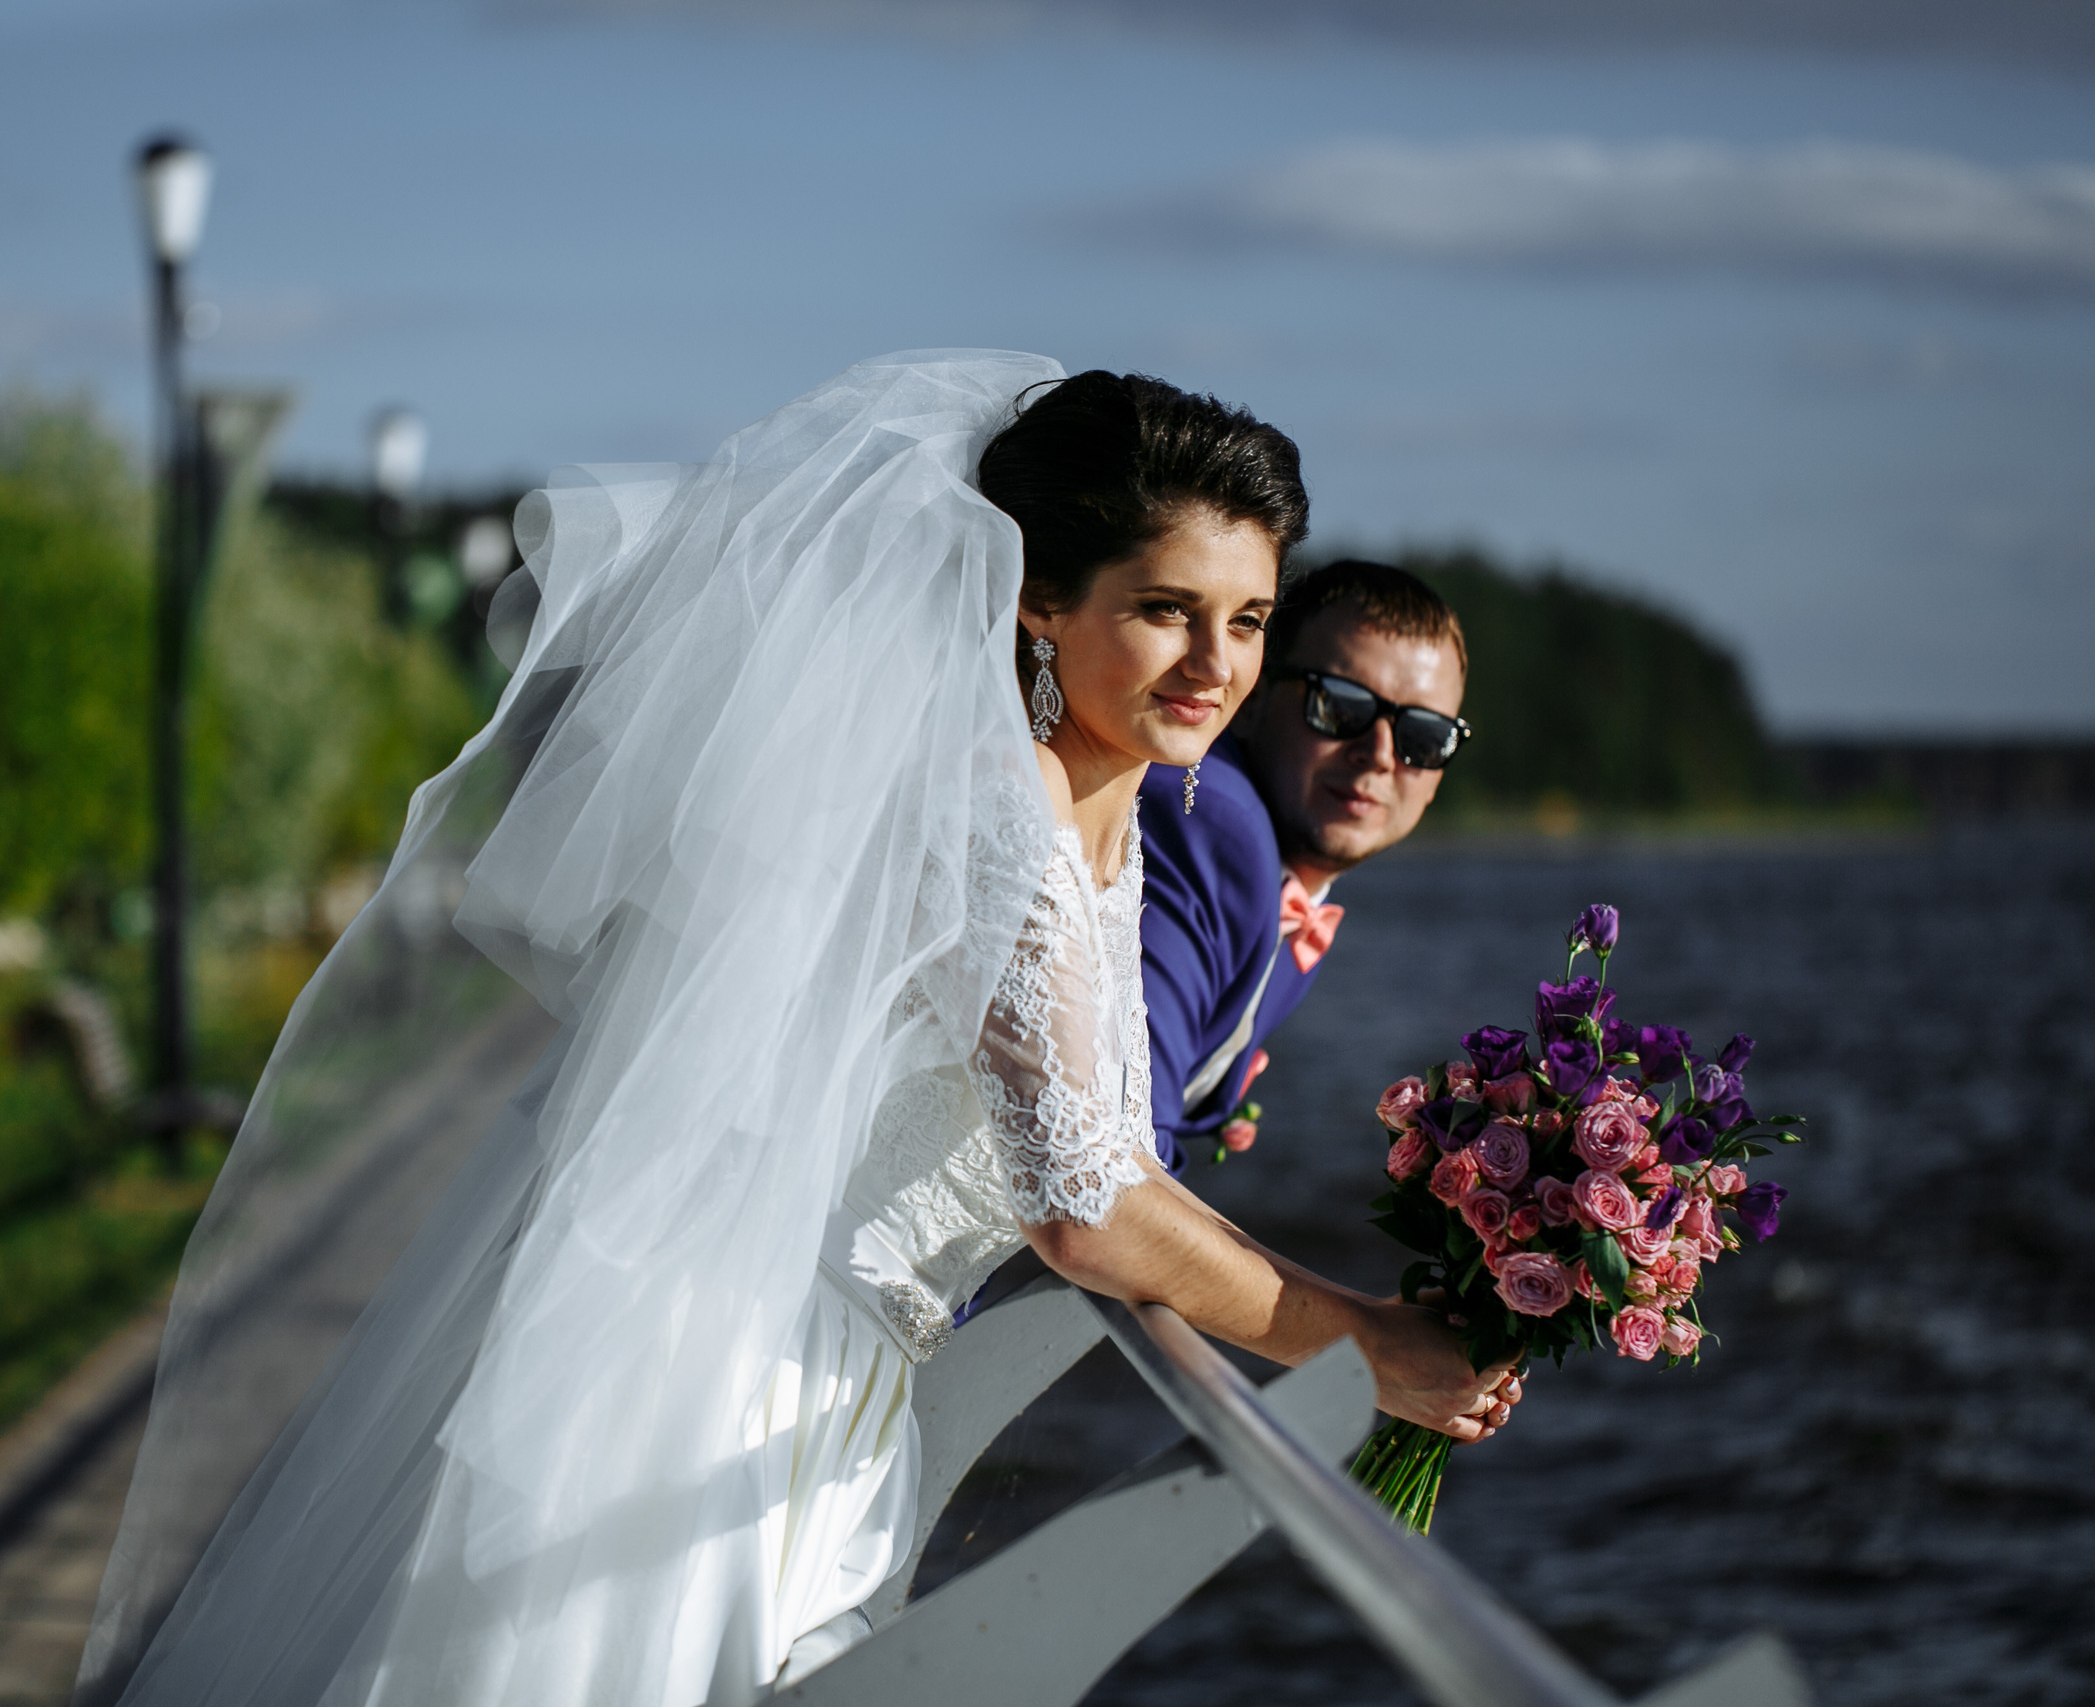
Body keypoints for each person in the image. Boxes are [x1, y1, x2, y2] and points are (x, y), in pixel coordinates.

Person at [78, 355, 1516, 1707]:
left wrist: (1368, 1322)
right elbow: (1085, 1208)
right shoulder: (1003, 810)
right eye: (1165, 609)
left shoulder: (1114, 805)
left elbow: (1105, 1152)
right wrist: (1366, 1348)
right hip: (728, 1382)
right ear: (1039, 599)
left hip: (836, 1385)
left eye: (1249, 620)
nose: (1214, 662)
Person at [1139, 560, 1473, 1169]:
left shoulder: (1294, 893)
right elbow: (1118, 1161)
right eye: (1340, 706)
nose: (1380, 754)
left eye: (1423, 737)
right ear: (1254, 696)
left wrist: (1214, 1092)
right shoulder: (1212, 825)